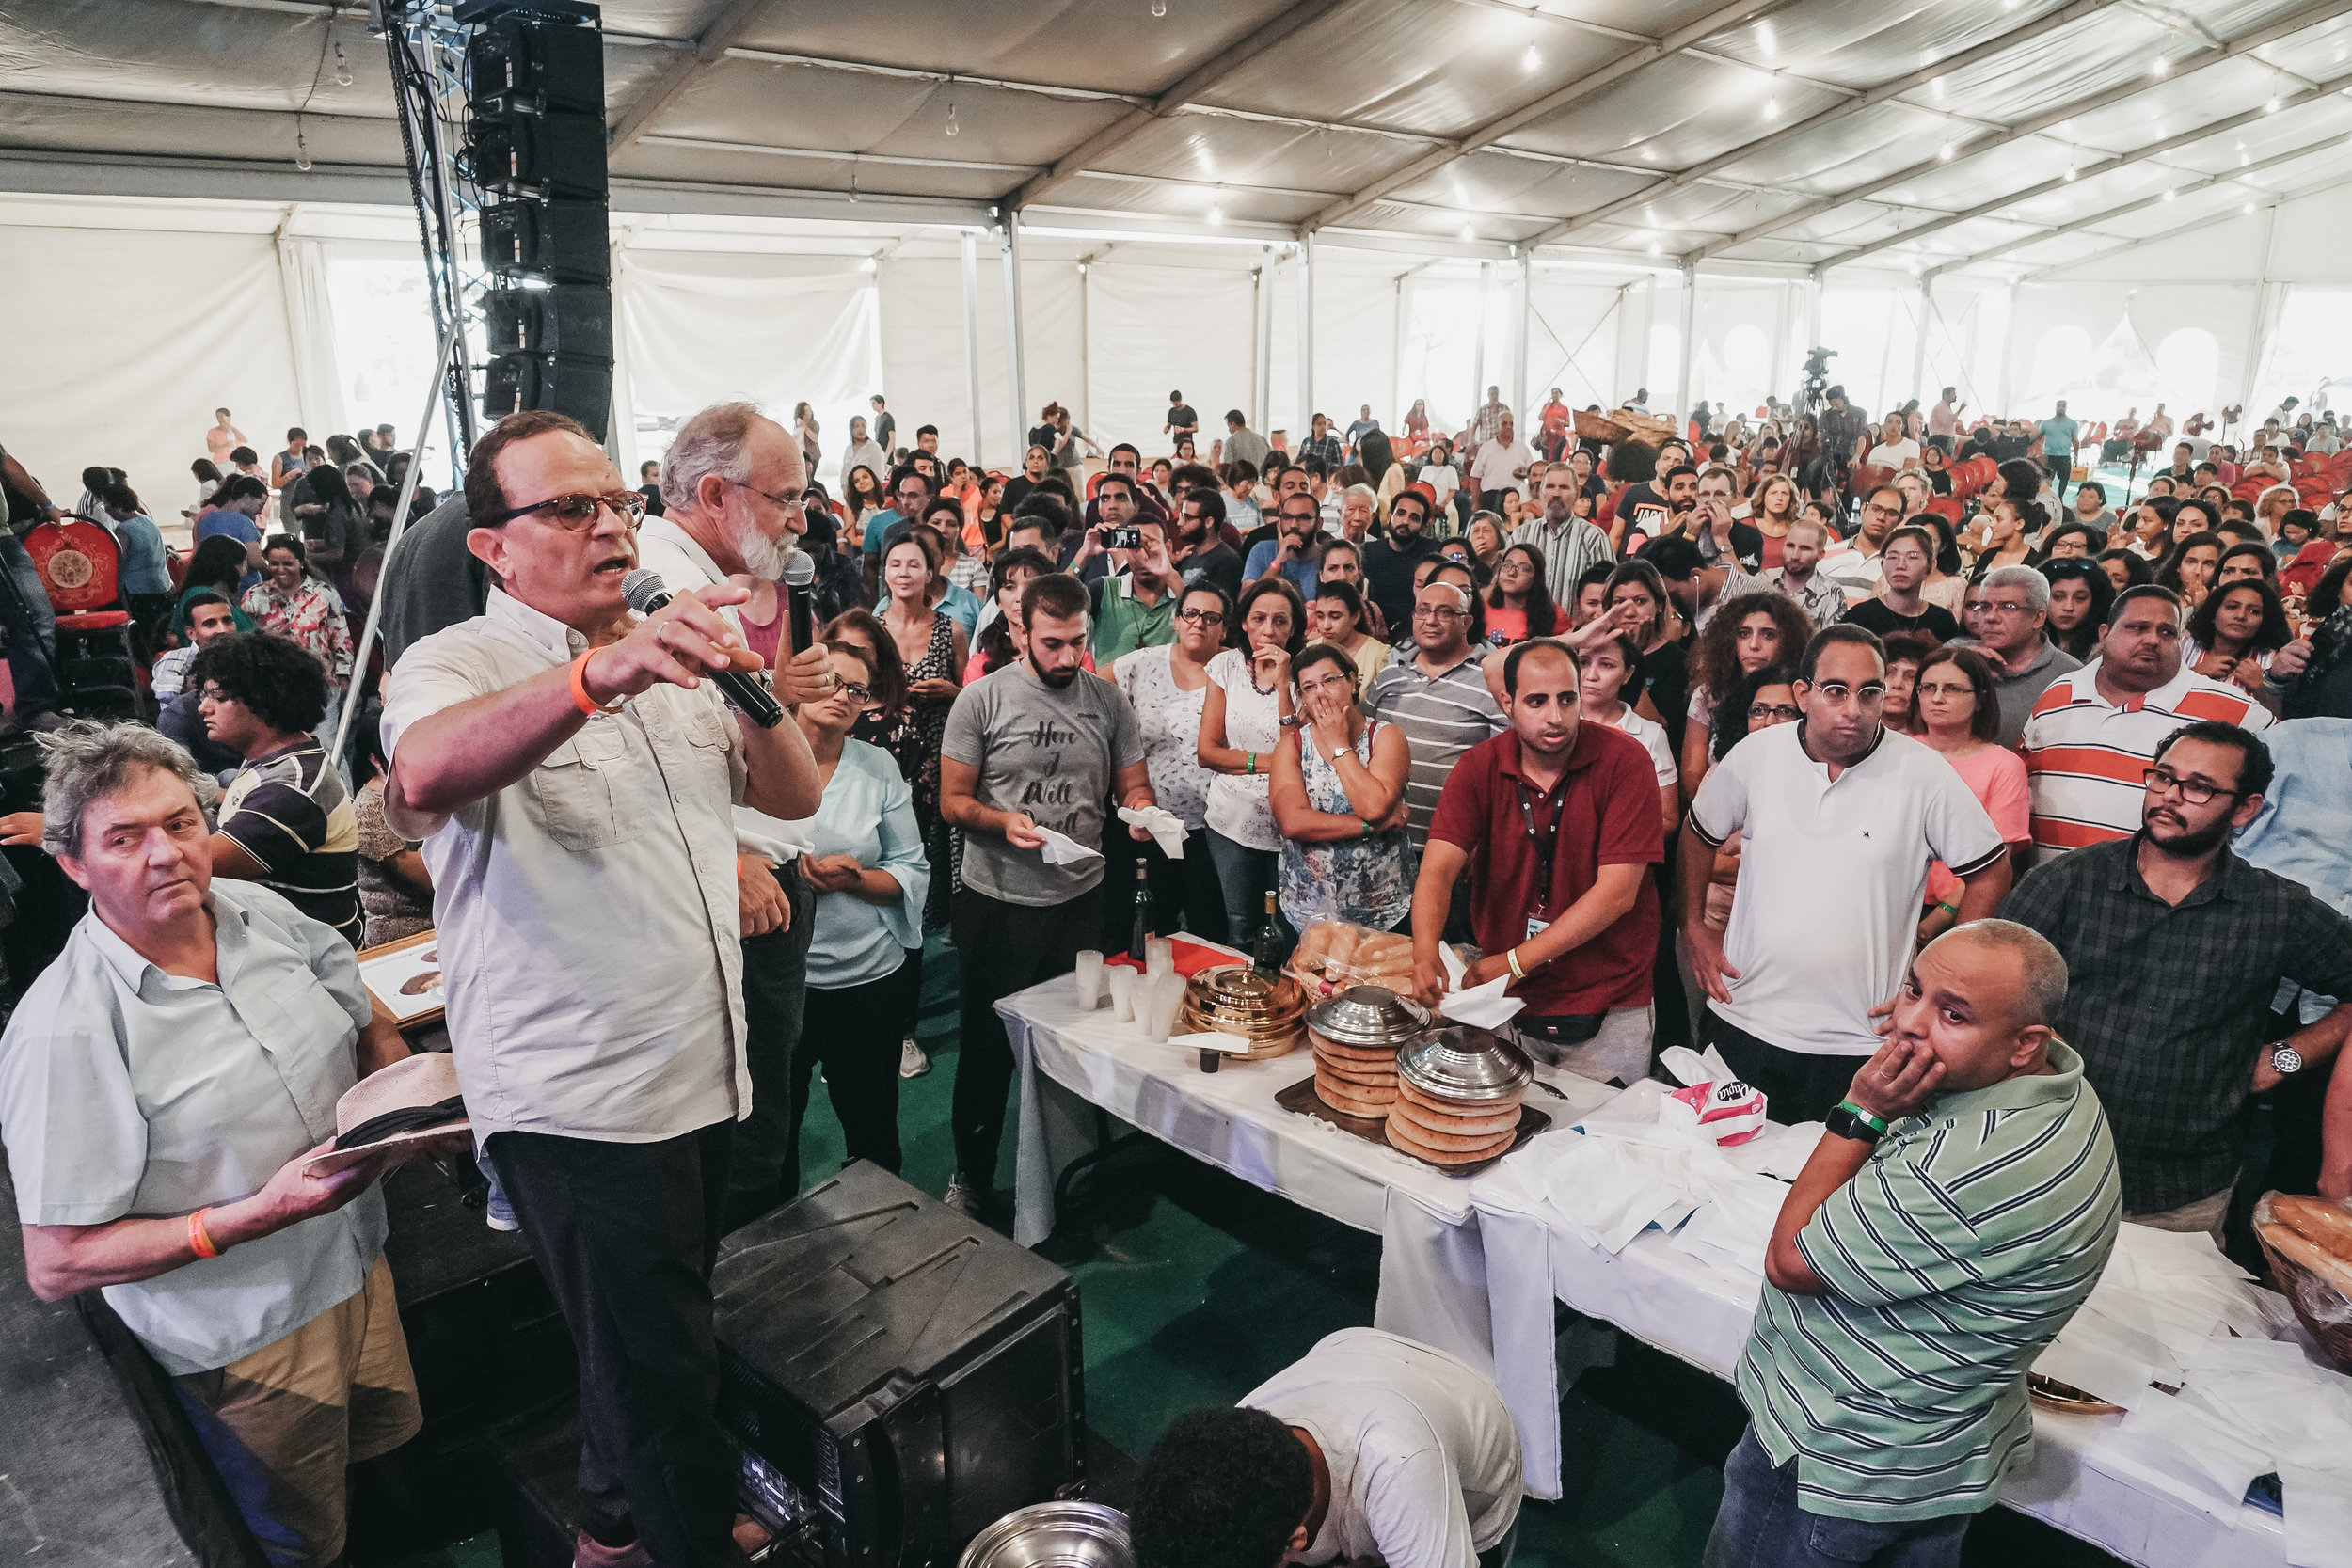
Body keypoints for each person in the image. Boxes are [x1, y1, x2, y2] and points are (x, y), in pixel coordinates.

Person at [380, 409, 827, 1567]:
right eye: (568, 508)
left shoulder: (667, 641)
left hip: (697, 1064)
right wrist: (595, 675)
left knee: (648, 1336)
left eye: (616, 501)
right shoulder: (458, 662)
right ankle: (680, 1536)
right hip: (584, 1099)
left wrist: (754, 686)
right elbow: (420, 775)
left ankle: (611, 1526)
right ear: (495, 546)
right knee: (660, 1370)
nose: (609, 526)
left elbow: (792, 800)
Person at [0, 721, 434, 1568]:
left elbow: (363, 1007)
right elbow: (58, 1263)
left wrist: (396, 1078)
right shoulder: (64, 1030)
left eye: (180, 822)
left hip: (357, 1264)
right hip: (250, 1342)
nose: (165, 854)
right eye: (125, 838)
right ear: (74, 865)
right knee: (302, 1538)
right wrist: (245, 1217)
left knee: (388, 1477)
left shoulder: (261, 912)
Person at [1709, 922, 2120, 1568]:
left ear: (2026, 1044)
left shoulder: (1965, 1164)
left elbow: (1789, 1258)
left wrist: (1861, 1108)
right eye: (1913, 989)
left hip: (1841, 1453)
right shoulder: (2064, 1089)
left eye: (1952, 1014)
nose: (1910, 1024)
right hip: (1931, 1452)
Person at [2001, 721, 2352, 1241]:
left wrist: (2287, 1057)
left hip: (2182, 1193)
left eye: (2199, 788)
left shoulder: (2276, 909)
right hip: (2039, 1169)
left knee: (2171, 1323)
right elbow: (1982, 979)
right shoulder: (2070, 881)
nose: (2170, 797)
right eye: (2163, 778)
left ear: (2245, 809)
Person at [632, 400, 832, 1223]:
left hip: (759, 873)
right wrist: (726, 862)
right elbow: (636, 760)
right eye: (785, 497)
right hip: (730, 891)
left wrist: (777, 702)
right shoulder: (660, 587)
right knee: (741, 1133)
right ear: (716, 493)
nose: (800, 519)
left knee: (766, 1100)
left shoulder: (707, 578)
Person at [1684, 626, 2010, 1124]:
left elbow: (1991, 872)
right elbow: (1697, 835)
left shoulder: (1923, 773)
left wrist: (1938, 985)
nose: (1853, 709)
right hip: (1744, 1016)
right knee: (1720, 1173)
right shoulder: (1756, 755)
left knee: (1832, 1193)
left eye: (1869, 692)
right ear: (1803, 694)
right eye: (1835, 691)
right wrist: (1696, 929)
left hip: (1862, 1038)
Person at [942, 572, 1153, 1214]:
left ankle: (1069, 1173)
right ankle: (972, 1178)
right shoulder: (980, 700)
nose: (1067, 657)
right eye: (1052, 643)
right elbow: (952, 802)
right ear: (1019, 632)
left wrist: (1142, 809)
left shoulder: (1107, 702)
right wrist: (1001, 821)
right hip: (998, 902)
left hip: (1081, 900)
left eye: (1077, 642)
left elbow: (1132, 784)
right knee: (985, 1050)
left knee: (1074, 1040)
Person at [1411, 640, 1663, 1084]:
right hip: (1506, 1001)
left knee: (1603, 1139)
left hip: (1608, 998)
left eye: (1567, 699)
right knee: (1508, 1133)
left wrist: (1514, 962)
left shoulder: (1626, 761)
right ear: (1506, 702)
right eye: (1536, 701)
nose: (1555, 716)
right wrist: (1424, 948)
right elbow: (1437, 868)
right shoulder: (1478, 767)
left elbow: (1617, 894)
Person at [1131, 1329, 1522, 1568]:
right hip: (1355, 1352)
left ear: (1296, 1542)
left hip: (1478, 1449)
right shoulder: (1236, 1442)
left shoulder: (1401, 1472)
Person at [786, 639, 927, 1181]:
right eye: (831, 680)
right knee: (773, 1135)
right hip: (784, 983)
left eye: (858, 691)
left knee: (873, 1133)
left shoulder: (877, 766)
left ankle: (884, 1238)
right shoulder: (755, 755)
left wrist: (858, 880)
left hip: (868, 979)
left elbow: (912, 866)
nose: (843, 696)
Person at [2021, 585, 2274, 858]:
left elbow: (2278, 798)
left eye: (2167, 632)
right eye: (2138, 628)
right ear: (2104, 634)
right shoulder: (2059, 691)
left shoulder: (2235, 708)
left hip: (2163, 895)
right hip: (2047, 886)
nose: (2153, 640)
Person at [191, 632, 362, 947]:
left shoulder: (293, 788)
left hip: (312, 963)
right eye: (203, 695)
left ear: (263, 696)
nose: (203, 707)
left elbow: (197, 868)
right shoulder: (275, 762)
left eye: (216, 695)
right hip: (286, 946)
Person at [1268, 641, 1413, 939]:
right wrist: (1374, 827)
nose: (1320, 692)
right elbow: (1293, 822)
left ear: (1351, 680)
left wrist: (1338, 744)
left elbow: (1373, 805)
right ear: (1302, 698)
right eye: (1308, 687)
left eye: (1329, 680)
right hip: (1306, 910)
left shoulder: (1385, 737)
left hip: (1380, 910)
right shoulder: (1291, 745)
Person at [1115, 584, 1232, 944]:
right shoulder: (1143, 662)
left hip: (1214, 829)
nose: (1200, 623)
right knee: (1149, 929)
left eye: (1212, 618)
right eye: (1191, 614)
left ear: (1224, 628)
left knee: (1209, 931)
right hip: (1150, 821)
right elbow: (1088, 688)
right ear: (1175, 620)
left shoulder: (1236, 669)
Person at [1199, 578, 1303, 950]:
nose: (1268, 630)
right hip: (1233, 821)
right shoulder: (1225, 665)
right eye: (1259, 618)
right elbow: (1208, 752)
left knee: (1289, 928)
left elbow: (1304, 751)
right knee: (1241, 926)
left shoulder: (1307, 673)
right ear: (1244, 622)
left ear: (1294, 628)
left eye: (1280, 621)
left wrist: (1284, 683)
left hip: (1292, 820)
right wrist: (1273, 762)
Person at [1366, 574, 1507, 847]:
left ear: (1466, 622)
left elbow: (1502, 773)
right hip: (1382, 842)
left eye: (1445, 612)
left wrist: (1485, 838)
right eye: (1423, 610)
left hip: (1453, 846)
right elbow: (1362, 746)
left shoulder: (1489, 682)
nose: (1430, 620)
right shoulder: (1389, 677)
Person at [879, 531, 968, 931]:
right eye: (895, 564)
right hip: (885, 751)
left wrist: (951, 691)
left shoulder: (952, 630)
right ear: (884, 572)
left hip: (937, 747)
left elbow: (971, 698)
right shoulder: (873, 631)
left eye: (914, 564)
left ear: (930, 572)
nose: (904, 572)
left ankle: (931, 925)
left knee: (933, 834)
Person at [1679, 592, 1813, 798]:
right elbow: (1692, 780)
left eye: (1768, 634)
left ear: (1789, 641)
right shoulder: (1708, 694)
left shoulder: (1804, 692)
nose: (1753, 645)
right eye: (1743, 634)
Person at [1960, 564, 2081, 748]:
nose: (1991, 617)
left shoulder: (2071, 677)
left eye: (2008, 607)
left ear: (2038, 618)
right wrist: (1959, 670)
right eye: (1984, 607)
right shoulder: (1956, 661)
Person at [1580, 634, 1678, 837]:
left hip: (1622, 855)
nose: (1591, 675)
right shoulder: (1555, 726)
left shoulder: (1650, 735)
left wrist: (1607, 834)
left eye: (1606, 665)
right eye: (1583, 662)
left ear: (1628, 674)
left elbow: (1668, 819)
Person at [242, 536, 354, 705]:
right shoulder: (254, 596)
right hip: (272, 686)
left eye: (287, 564)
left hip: (320, 684)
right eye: (274, 564)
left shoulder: (324, 593)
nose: (280, 569)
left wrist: (344, 676)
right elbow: (242, 640)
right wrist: (263, 636)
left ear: (301, 563)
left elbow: (340, 636)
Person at [1091, 505, 1184, 674]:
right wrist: (1084, 554)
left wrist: (1169, 573)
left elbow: (1202, 616)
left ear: (1168, 548)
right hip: (1111, 695)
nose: (1143, 556)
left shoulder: (1182, 593)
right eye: (1136, 547)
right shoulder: (1105, 589)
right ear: (1125, 551)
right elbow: (1054, 605)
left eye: (1151, 545)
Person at [1508, 462, 1612, 605]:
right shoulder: (1521, 536)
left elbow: (1609, 591)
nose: (1556, 493)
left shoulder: (1593, 538)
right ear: (1540, 492)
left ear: (1577, 494)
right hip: (1526, 625)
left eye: (1564, 487)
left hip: (1577, 626)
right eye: (1550, 487)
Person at [2182, 577, 2292, 699]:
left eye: (2254, 611)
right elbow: (2157, 694)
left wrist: (2263, 686)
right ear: (2213, 613)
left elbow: (2286, 716)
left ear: (2264, 622)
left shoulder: (2272, 662)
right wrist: (2194, 673)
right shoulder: (2184, 646)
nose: (2241, 616)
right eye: (2232, 607)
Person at [1842, 525, 1960, 641]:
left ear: (1931, 566)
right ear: (1882, 564)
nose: (1901, 565)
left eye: (1912, 557)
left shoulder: (1943, 621)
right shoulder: (1859, 618)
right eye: (1893, 557)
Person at [1361, 486, 1442, 635]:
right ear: (1389, 516)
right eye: (1401, 513)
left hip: (1421, 632)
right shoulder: (1368, 552)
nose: (1405, 521)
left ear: (1423, 527)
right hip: (1375, 633)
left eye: (1414, 518)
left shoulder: (1434, 552)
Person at [1244, 488, 1326, 600]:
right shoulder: (1262, 550)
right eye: (1287, 517)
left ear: (1319, 524)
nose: (1293, 525)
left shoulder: (1329, 558)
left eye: (1302, 518)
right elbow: (1244, 600)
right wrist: (1277, 562)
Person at [1483, 543, 1560, 646]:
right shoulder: (1484, 610)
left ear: (1536, 577)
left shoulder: (1555, 615)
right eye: (1507, 565)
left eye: (1523, 568)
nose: (1511, 573)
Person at [2040, 557, 2113, 664]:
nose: (2069, 607)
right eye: (2058, 597)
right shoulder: (2029, 641)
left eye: (2080, 598)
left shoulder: (2104, 650)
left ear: (2095, 602)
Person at [1470, 412, 1534, 514]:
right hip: (1491, 497)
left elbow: (1532, 473)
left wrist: (1523, 473)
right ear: (1497, 426)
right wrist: (1476, 503)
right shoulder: (1486, 448)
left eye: (1511, 424)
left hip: (1515, 497)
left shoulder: (1522, 448)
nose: (1508, 427)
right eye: (1504, 424)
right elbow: (1475, 477)